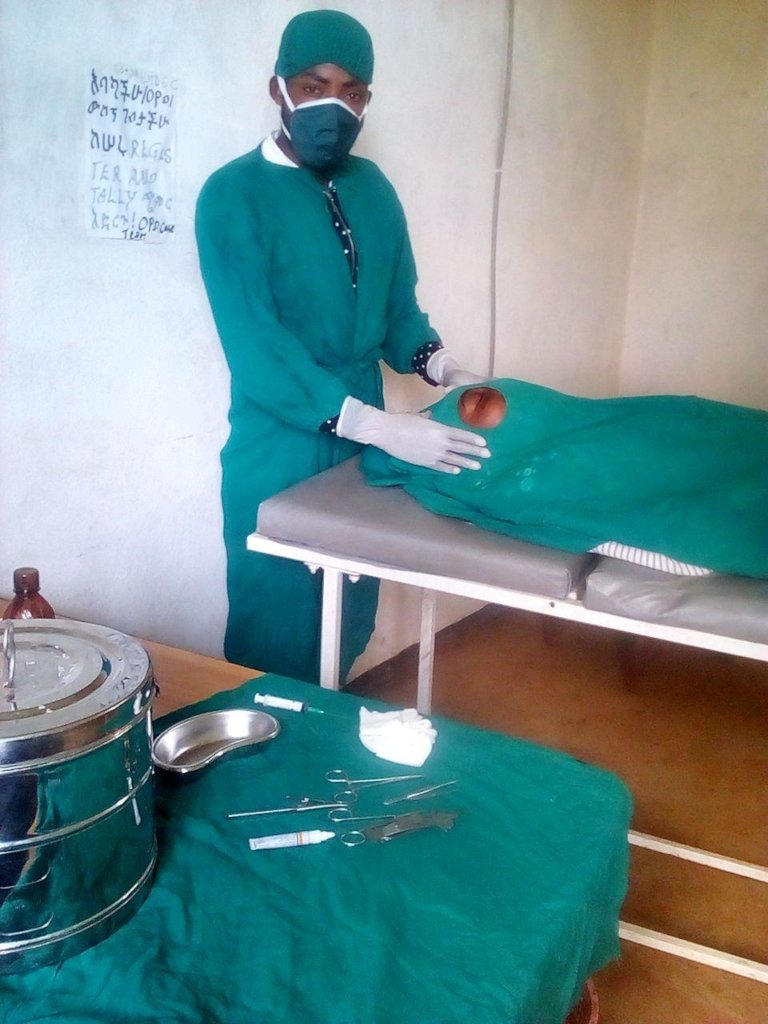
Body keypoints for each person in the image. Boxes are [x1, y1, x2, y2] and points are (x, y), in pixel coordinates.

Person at [195, 10, 489, 682]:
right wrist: (381, 427)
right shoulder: (233, 196)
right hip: (279, 443)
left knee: (348, 618)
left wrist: (443, 366)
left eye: (352, 92)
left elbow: (395, 309)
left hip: (361, 449)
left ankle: (333, 732)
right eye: (313, 85)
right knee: (276, 630)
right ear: (278, 88)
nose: (334, 105)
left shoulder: (372, 189)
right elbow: (258, 352)